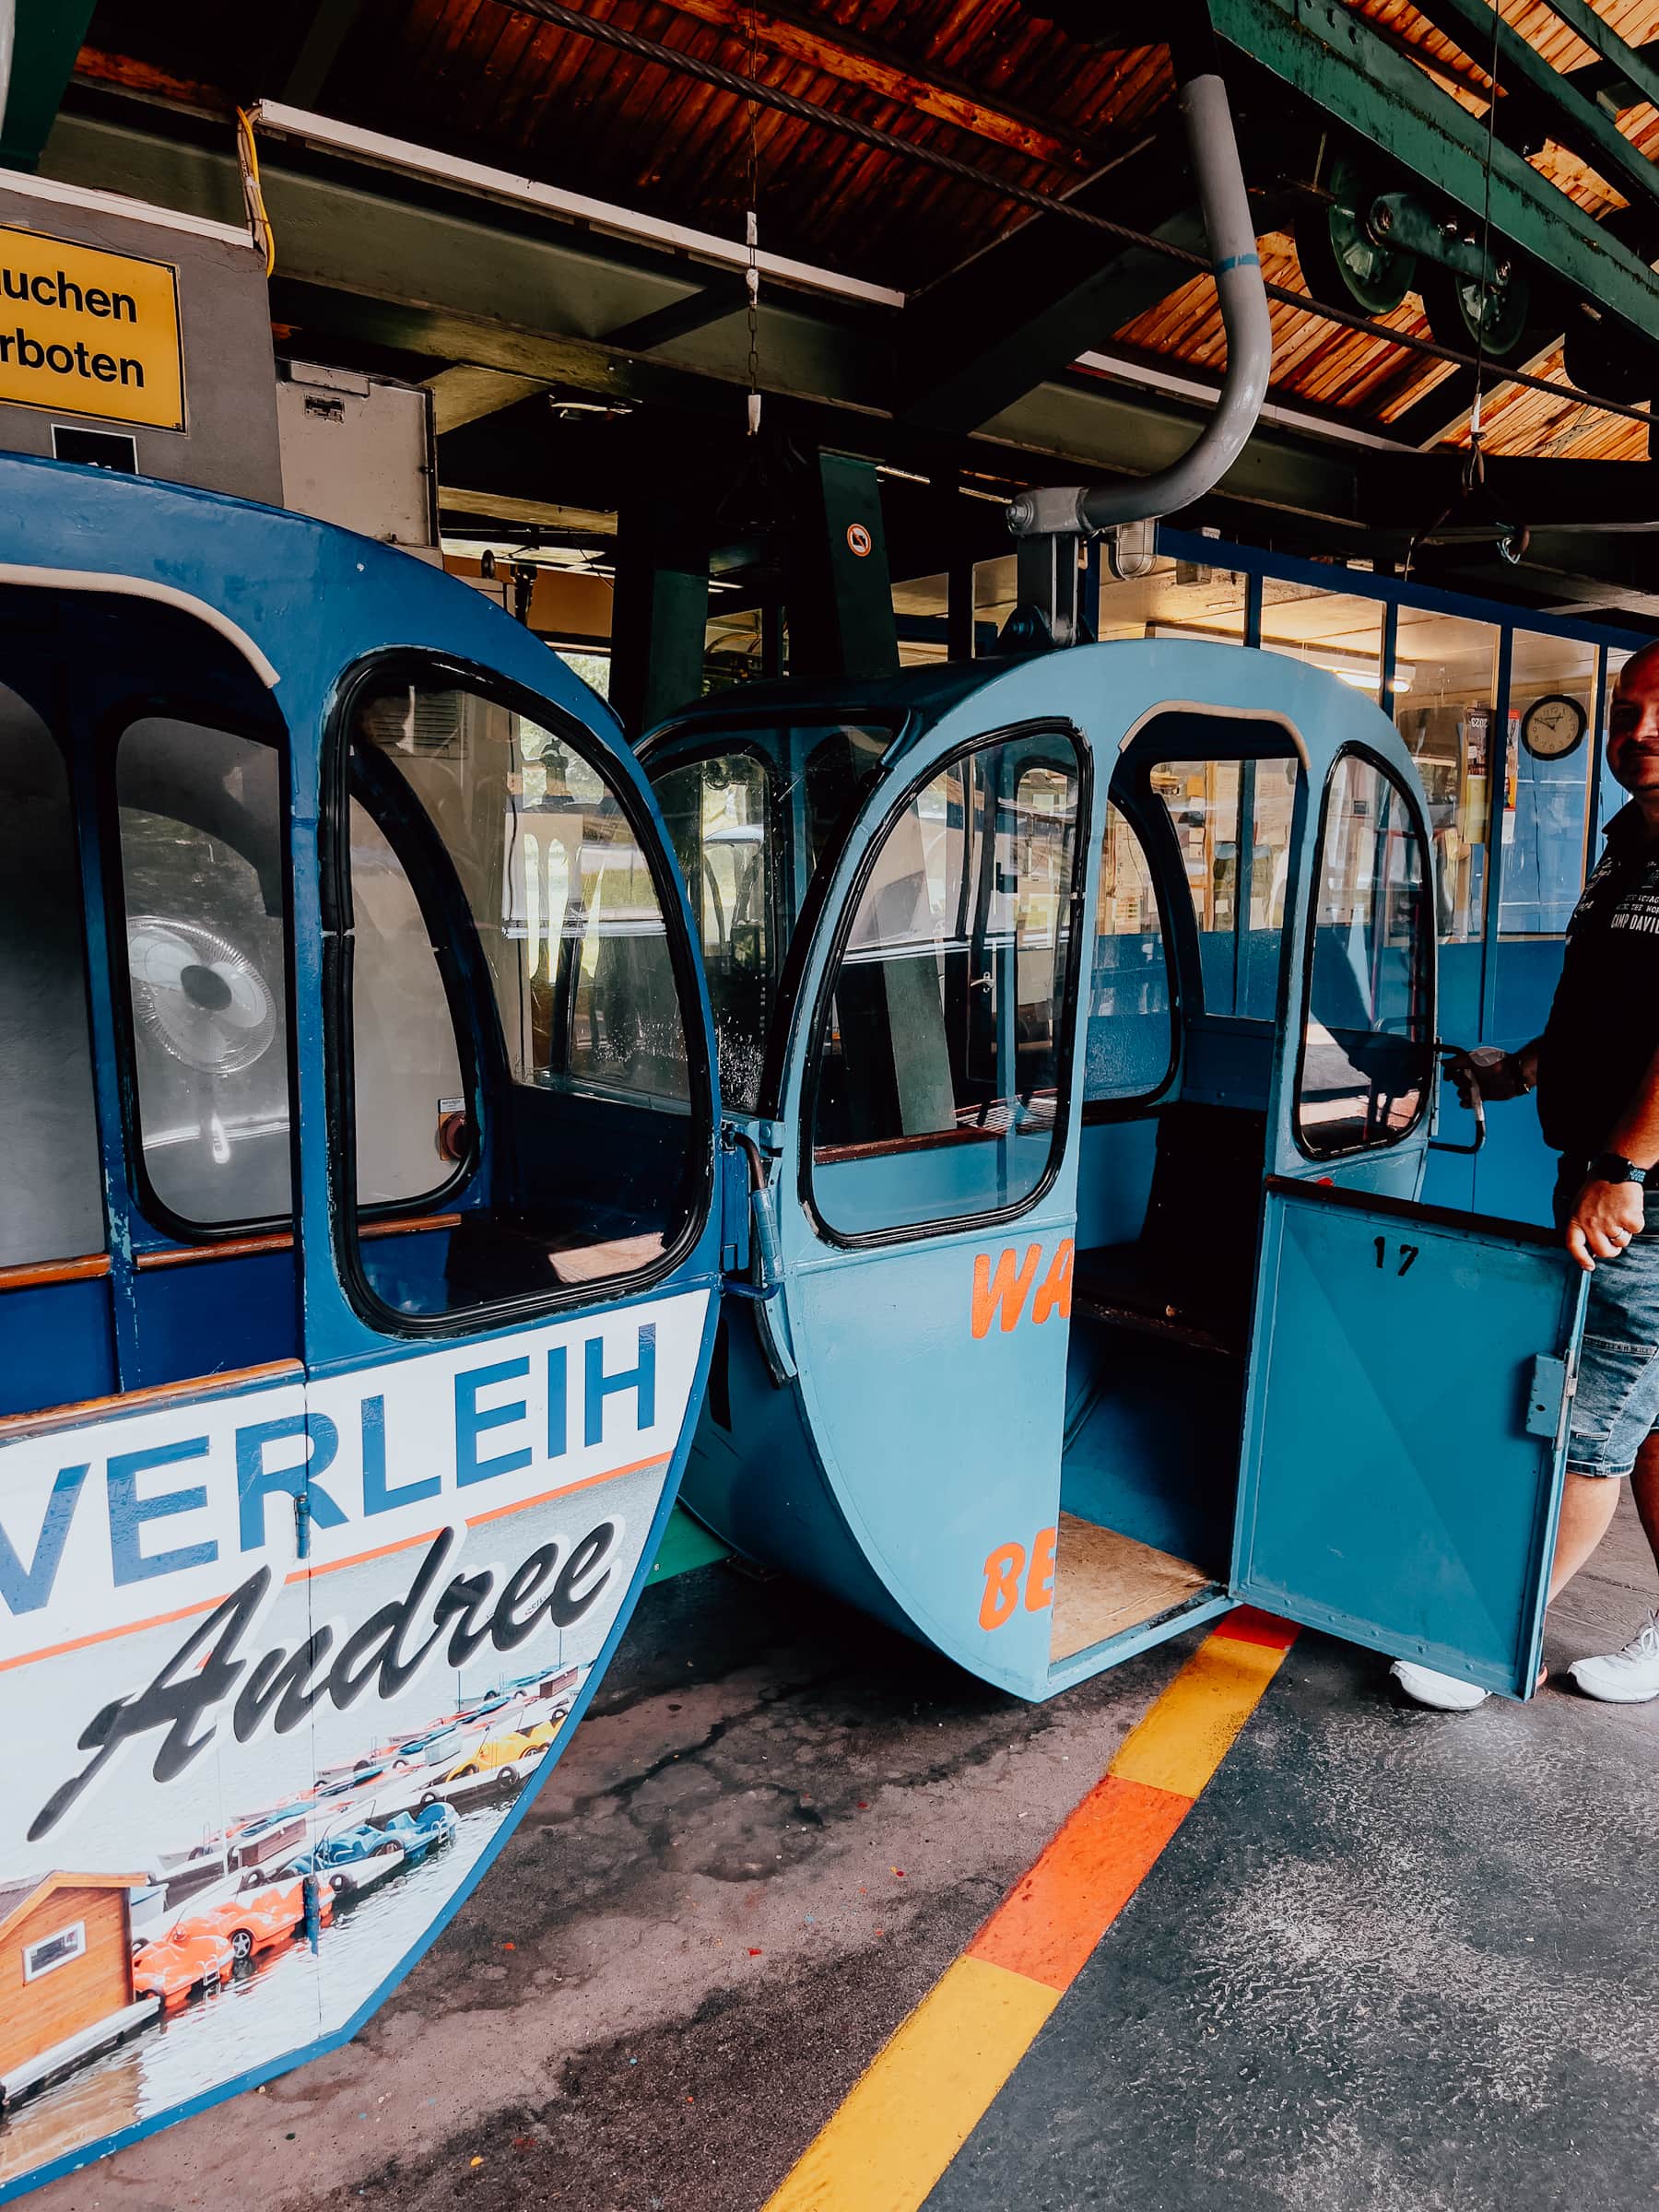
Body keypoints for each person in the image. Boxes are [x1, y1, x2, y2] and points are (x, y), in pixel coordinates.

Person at [1394, 641, 1659, 1711]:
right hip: (1606, 1167)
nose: (1641, 732)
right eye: (1631, 711)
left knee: (1586, 1424)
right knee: (1644, 1423)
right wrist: (1529, 1068)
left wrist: (1622, 1165)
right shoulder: (1626, 843)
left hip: (1636, 1187)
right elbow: (1611, 1004)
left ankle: (1480, 1636)